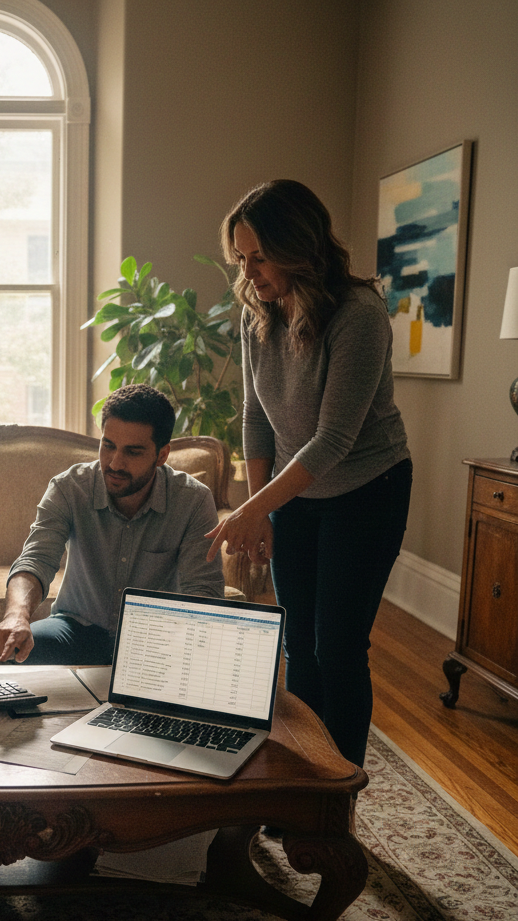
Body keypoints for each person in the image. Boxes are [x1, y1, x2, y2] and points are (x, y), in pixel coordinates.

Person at [205, 179, 412, 769]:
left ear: (299, 246)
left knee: (338, 649)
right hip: (298, 493)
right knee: (298, 646)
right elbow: (256, 417)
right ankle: (302, 779)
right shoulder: (257, 315)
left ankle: (338, 792)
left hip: (367, 490)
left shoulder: (359, 314)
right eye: (242, 258)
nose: (250, 273)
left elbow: (334, 441)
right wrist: (264, 507)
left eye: (261, 257)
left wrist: (251, 509)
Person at [0, 383, 226, 667]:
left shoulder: (193, 500)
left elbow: (202, 593)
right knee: (9, 654)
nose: (114, 463)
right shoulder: (70, 487)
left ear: (162, 455)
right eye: (108, 445)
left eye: (133, 452)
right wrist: (16, 616)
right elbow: (36, 559)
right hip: (75, 629)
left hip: (157, 641)